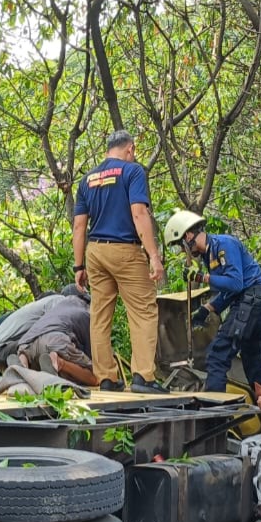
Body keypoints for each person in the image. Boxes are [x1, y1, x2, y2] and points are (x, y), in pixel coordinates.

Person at [72, 130, 166, 394]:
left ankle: (106, 378)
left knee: (100, 316)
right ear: (130, 149)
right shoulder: (132, 171)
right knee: (143, 310)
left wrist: (78, 266)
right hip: (125, 250)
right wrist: (154, 257)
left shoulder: (87, 179)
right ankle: (143, 377)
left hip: (95, 252)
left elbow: (79, 226)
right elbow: (139, 213)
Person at [162, 210, 261, 396]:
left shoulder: (223, 244)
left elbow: (236, 283)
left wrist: (202, 277)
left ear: (188, 236)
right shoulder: (210, 255)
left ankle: (215, 417)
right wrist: (206, 310)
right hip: (254, 302)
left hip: (253, 299)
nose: (183, 252)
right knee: (253, 364)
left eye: (181, 246)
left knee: (217, 353)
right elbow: (229, 291)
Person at [0, 285, 83, 370]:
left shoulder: (46, 302)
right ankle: (24, 369)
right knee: (49, 342)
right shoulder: (59, 301)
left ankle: (21, 369)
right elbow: (54, 332)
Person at [17, 293, 99, 386]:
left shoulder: (58, 307)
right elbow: (94, 353)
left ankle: (23, 364)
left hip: (26, 343)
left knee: (33, 355)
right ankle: (58, 363)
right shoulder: (87, 314)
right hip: (55, 341)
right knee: (95, 377)